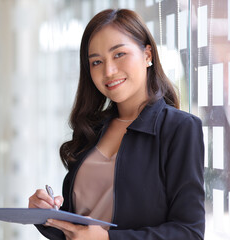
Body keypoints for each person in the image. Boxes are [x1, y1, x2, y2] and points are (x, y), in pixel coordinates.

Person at [28, 8, 205, 240]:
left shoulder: (180, 128)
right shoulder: (92, 129)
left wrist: (108, 239)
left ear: (147, 55)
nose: (108, 71)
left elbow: (189, 232)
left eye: (119, 54)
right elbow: (81, 230)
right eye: (97, 62)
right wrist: (46, 215)